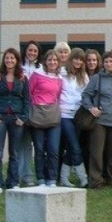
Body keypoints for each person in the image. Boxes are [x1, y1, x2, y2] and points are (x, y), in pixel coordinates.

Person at [80, 50, 112, 189]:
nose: (109, 64)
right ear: (103, 63)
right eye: (107, 61)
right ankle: (95, 180)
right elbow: (85, 95)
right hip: (100, 122)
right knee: (96, 152)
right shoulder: (97, 78)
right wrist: (91, 108)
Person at [0, 47, 31, 194]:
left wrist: (23, 117)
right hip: (0, 118)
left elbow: (27, 100)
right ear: (4, 60)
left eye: (12, 58)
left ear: (17, 60)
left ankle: (13, 182)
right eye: (7, 58)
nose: (9, 60)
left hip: (16, 119)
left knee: (14, 152)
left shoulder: (23, 78)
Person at [29, 49, 63, 186]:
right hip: (38, 115)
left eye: (55, 60)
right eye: (50, 60)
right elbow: (28, 92)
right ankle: (41, 178)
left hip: (53, 116)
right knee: (39, 149)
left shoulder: (59, 78)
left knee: (53, 149)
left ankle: (52, 178)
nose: (52, 62)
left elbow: (58, 96)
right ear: (45, 61)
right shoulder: (36, 75)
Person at [58, 48, 89, 187]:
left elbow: (86, 95)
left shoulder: (84, 76)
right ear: (71, 59)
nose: (78, 62)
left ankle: (64, 177)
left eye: (81, 59)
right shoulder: (62, 73)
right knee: (75, 147)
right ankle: (84, 178)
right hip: (64, 114)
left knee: (72, 147)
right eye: (76, 58)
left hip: (79, 115)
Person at [19, 40, 42, 186]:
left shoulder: (41, 69)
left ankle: (36, 175)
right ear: (25, 51)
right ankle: (24, 175)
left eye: (35, 51)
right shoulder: (19, 68)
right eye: (30, 50)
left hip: (39, 111)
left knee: (39, 145)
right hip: (22, 111)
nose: (32, 53)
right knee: (23, 144)